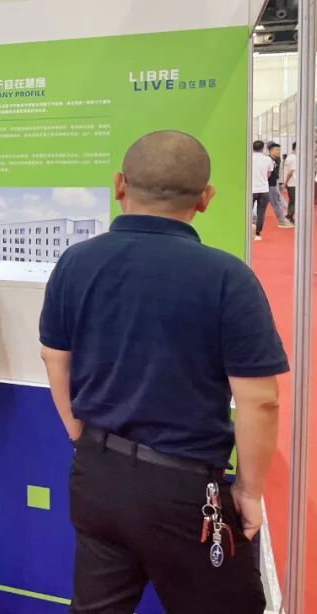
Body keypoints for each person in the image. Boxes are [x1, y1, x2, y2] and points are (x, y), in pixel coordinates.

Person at [39, 131, 286, 613]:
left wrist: (78, 432)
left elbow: (54, 357)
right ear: (206, 198)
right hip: (185, 487)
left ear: (119, 185)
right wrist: (249, 490)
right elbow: (260, 399)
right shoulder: (227, 277)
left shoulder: (76, 262)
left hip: (96, 474)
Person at [266, 142, 293, 229]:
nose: (278, 152)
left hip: (273, 183)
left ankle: (283, 218)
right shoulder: (267, 160)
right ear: (270, 150)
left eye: (279, 150)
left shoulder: (277, 159)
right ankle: (282, 220)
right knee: (275, 202)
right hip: (268, 184)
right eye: (276, 150)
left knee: (276, 200)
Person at [251, 140, 274, 241]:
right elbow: (269, 174)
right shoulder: (268, 159)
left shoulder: (249, 158)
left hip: (251, 189)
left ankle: (247, 231)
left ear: (252, 147)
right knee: (261, 212)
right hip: (264, 189)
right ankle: (257, 233)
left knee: (247, 211)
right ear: (262, 148)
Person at [283, 141, 298, 224]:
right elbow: (291, 173)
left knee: (292, 200)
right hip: (293, 183)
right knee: (294, 201)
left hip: (291, 183)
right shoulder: (294, 158)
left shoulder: (290, 157)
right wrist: (285, 183)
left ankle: (289, 215)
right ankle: (290, 217)